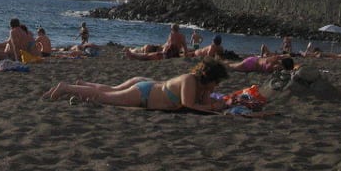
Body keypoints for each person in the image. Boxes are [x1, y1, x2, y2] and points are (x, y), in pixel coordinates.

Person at [43, 57, 229, 113]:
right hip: (144, 94)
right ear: (209, 76)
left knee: (109, 93)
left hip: (148, 93)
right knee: (105, 97)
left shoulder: (203, 87)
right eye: (216, 81)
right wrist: (214, 106)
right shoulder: (190, 80)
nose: (217, 85)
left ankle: (73, 89)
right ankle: (65, 87)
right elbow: (189, 105)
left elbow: (202, 105)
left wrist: (215, 103)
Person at [227, 54, 295, 73]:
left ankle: (221, 63)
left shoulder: (276, 59)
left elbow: (286, 55)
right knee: (232, 68)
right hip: (251, 65)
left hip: (253, 60)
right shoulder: (277, 66)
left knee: (233, 65)